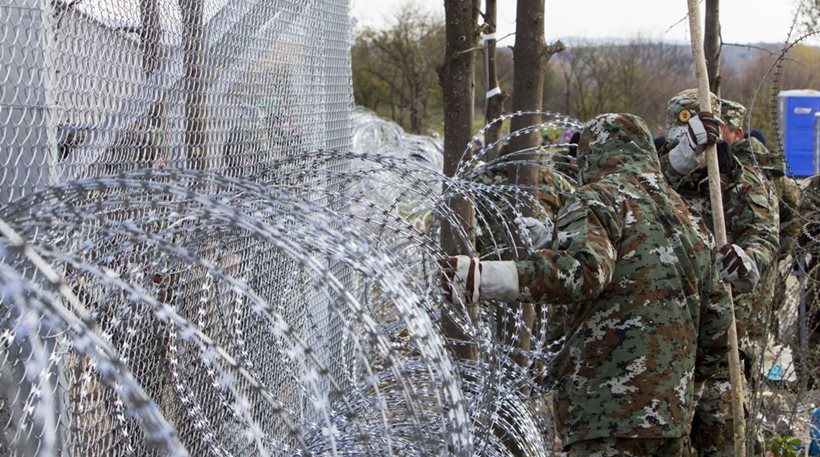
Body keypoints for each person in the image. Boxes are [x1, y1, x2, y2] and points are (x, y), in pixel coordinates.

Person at [442, 113, 731, 456]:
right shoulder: (688, 217)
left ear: (592, 154)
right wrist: (685, 391)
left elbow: (583, 272)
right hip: (670, 419)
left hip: (605, 413)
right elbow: (718, 318)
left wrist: (482, 278)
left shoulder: (597, 199)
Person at [658, 89, 780, 456]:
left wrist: (748, 260)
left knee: (725, 440)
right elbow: (632, 204)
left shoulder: (742, 180)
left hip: (726, 341)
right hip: (666, 345)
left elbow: (763, 236)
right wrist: (678, 160)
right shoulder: (658, 177)